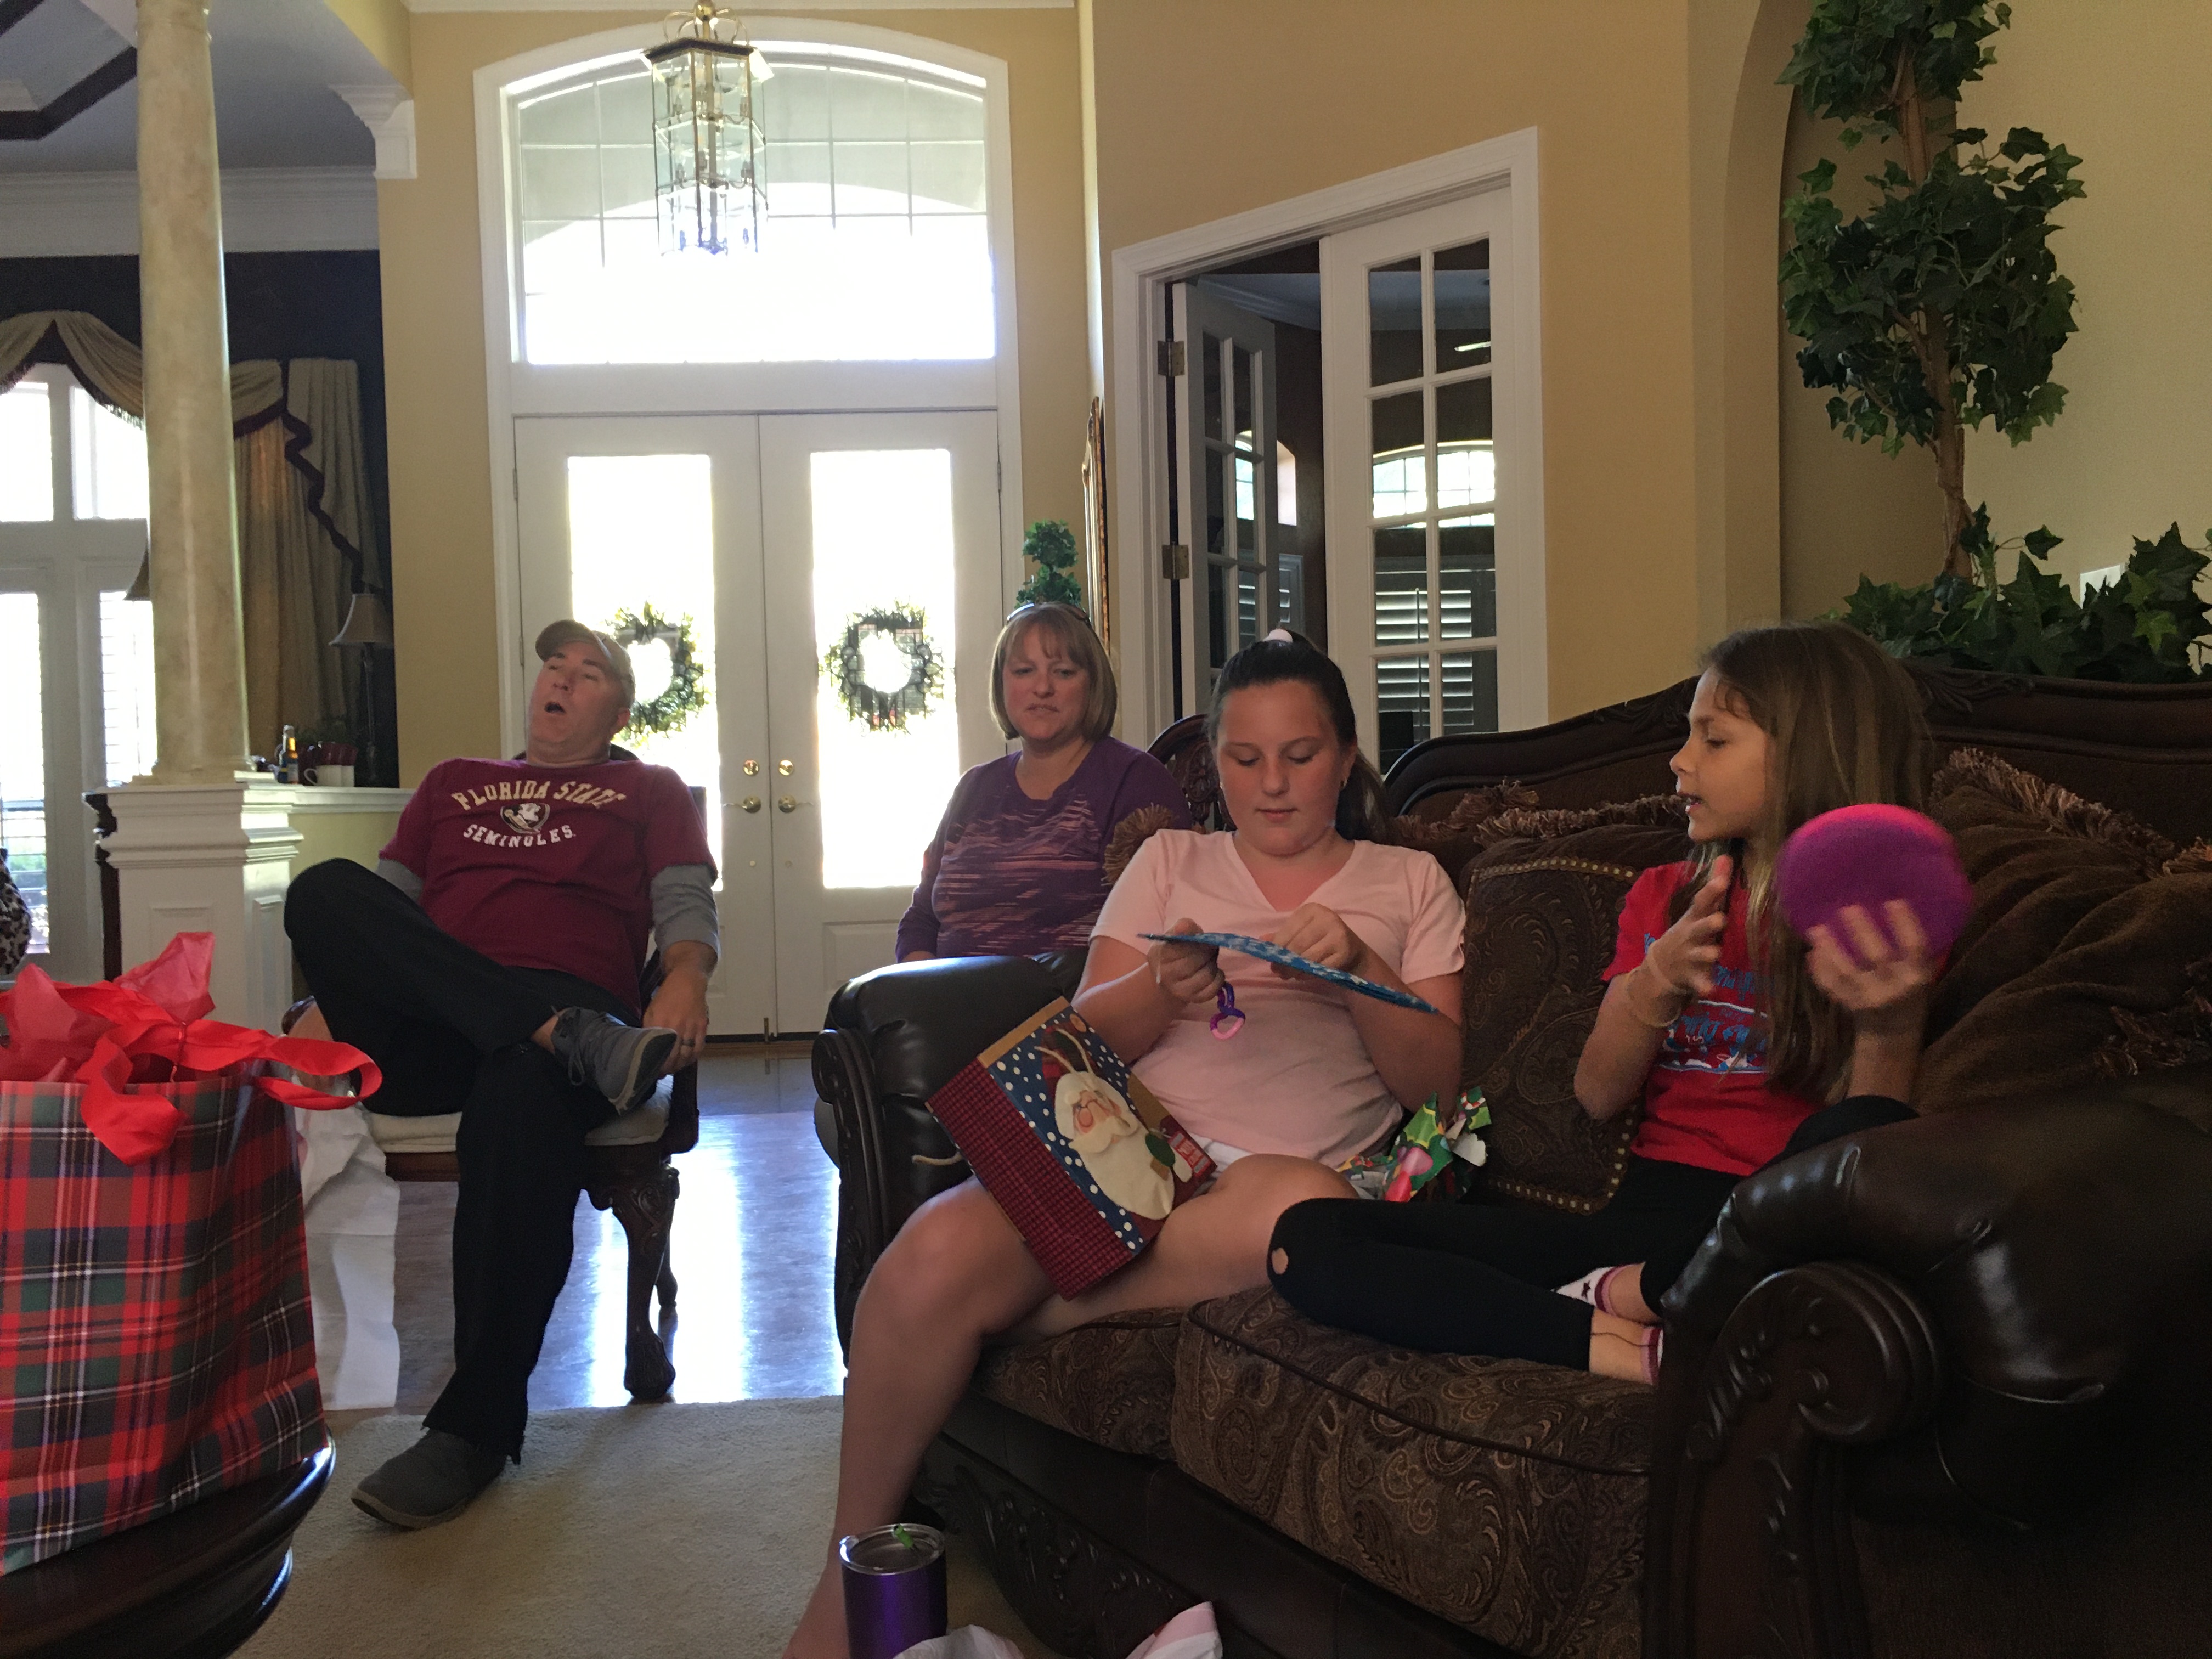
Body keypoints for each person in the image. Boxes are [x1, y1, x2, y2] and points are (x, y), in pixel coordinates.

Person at [783, 634, 1465, 1658]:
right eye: (1244, 758)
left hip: (1284, 1184)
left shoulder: (1409, 880)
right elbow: (1085, 1037)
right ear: (1216, 765)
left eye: (1300, 755)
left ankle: (991, 1315)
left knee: (1304, 1216)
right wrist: (1160, 985)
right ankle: (843, 1590)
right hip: (1125, 1151)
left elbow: (1439, 1093)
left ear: (1345, 755)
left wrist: (1363, 971)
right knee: (927, 1253)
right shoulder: (1171, 859)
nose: (1272, 784)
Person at [1267, 620, 1937, 1383]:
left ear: (1810, 754)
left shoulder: (1882, 920)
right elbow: (1597, 1091)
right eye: (1688, 735)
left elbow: (1870, 1155)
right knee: (1307, 1240)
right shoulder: (1665, 897)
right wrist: (1654, 983)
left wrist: (1890, 1025)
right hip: (1633, 1230)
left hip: (1768, 1226)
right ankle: (1628, 1342)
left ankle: (1649, 1298)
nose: (1680, 761)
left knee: (1850, 1138)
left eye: (1714, 740)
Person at [283, 620, 718, 1526]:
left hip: (561, 1009)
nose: (562, 677)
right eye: (554, 664)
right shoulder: (451, 781)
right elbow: (385, 912)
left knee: (521, 1083)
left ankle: (472, 1429)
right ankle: (564, 1036)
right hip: (440, 1022)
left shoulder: (649, 787)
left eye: (588, 671)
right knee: (320, 889)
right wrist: (332, 996)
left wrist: (685, 977)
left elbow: (684, 906)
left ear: (620, 711)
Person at [896, 601, 1191, 961]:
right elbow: (920, 920)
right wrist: (924, 986)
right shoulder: (973, 788)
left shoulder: (1136, 783)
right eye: (1024, 671)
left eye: (1063, 672)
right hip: (946, 994)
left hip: (1077, 996)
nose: (1042, 688)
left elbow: (1160, 937)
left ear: (1093, 684)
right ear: (1003, 683)